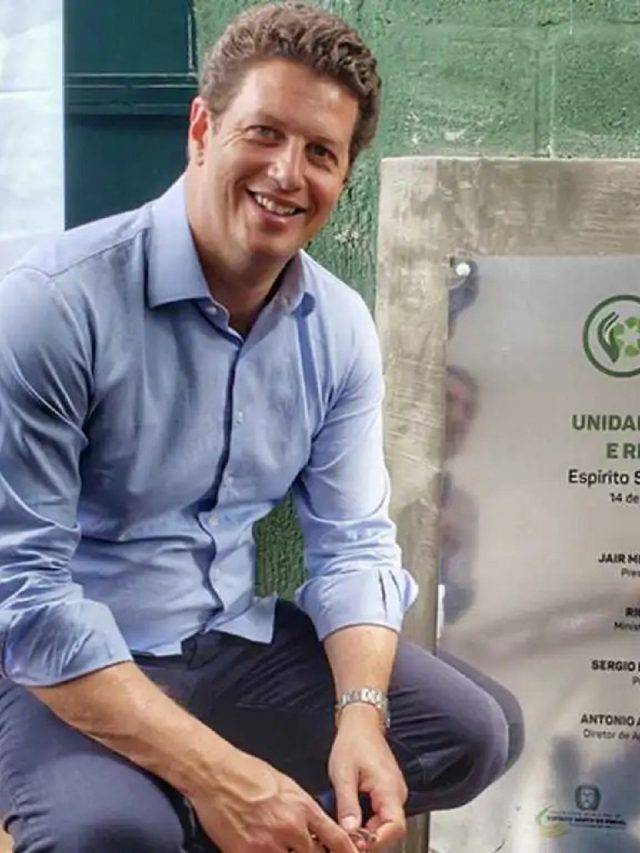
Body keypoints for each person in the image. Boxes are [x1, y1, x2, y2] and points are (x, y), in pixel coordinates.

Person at [0, 3, 509, 851]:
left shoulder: (336, 328)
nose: (287, 173)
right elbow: (26, 598)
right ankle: (178, 808)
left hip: (231, 642)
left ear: (343, 175)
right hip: (71, 667)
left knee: (473, 733)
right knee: (110, 834)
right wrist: (220, 777)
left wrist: (360, 717)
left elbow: (353, 545)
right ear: (202, 129)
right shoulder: (54, 304)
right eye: (264, 133)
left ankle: (209, 816)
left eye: (321, 153)